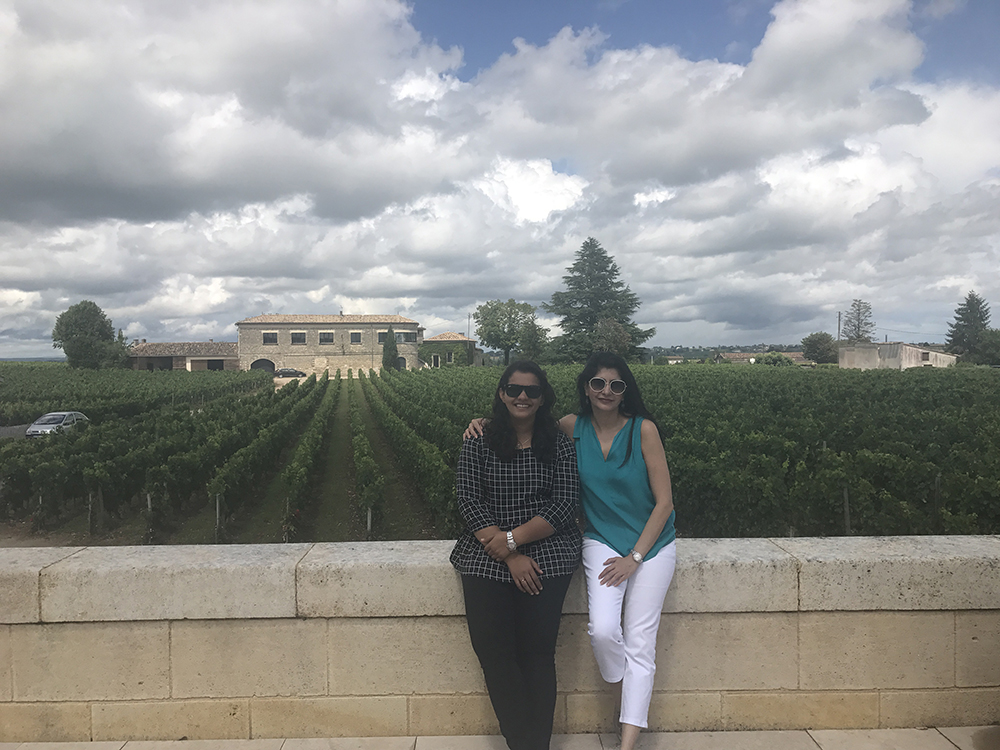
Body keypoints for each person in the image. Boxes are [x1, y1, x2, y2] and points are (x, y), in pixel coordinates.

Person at [465, 352, 675, 750]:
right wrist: (482, 422)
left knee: (637, 641)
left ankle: (626, 740)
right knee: (603, 631)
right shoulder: (568, 428)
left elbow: (660, 503)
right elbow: (474, 486)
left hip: (646, 546)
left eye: (616, 384)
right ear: (585, 388)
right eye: (598, 383)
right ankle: (615, 707)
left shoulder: (639, 430)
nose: (606, 391)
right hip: (599, 539)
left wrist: (636, 558)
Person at [450, 360, 582, 750]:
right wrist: (508, 552)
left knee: (537, 653)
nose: (522, 396)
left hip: (547, 552)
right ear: (501, 393)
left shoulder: (558, 442)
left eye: (532, 391)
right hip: (487, 551)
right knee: (493, 652)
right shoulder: (478, 439)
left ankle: (534, 744)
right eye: (513, 389)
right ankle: (522, 742)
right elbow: (469, 500)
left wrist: (513, 541)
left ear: (543, 399)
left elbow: (563, 505)